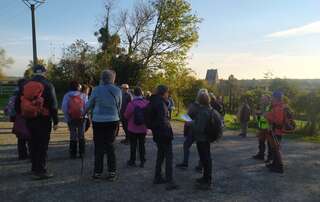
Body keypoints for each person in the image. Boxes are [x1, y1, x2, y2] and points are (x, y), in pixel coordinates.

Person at [15, 64, 59, 180]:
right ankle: (41, 170)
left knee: (32, 143)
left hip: (29, 118)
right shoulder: (48, 84)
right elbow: (53, 105)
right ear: (44, 72)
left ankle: (34, 168)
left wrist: (21, 114)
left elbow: (17, 101)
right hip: (43, 119)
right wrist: (56, 121)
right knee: (42, 145)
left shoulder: (25, 84)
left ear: (33, 72)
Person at [85, 70, 122, 181]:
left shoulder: (96, 90)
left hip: (98, 120)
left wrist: (83, 112)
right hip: (113, 120)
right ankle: (112, 172)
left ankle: (97, 172)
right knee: (110, 146)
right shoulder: (117, 90)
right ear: (113, 78)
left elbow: (89, 104)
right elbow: (119, 106)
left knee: (99, 146)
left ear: (102, 78)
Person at [149, 85, 178, 190]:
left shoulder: (153, 101)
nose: (168, 94)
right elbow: (163, 121)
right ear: (163, 93)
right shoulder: (161, 104)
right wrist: (168, 133)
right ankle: (169, 181)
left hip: (157, 133)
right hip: (164, 134)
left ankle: (157, 177)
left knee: (160, 155)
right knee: (168, 157)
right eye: (167, 93)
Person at [176, 89, 207, 171]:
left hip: (193, 129)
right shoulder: (208, 107)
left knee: (187, 145)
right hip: (202, 131)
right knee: (201, 148)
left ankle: (186, 163)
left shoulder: (194, 105)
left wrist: (187, 119)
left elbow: (188, 116)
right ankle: (200, 166)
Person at [190, 90, 213, 190]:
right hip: (206, 138)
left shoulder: (203, 112)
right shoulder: (209, 109)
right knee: (205, 159)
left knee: (205, 159)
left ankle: (207, 181)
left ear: (200, 100)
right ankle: (205, 178)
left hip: (202, 138)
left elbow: (199, 128)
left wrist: (191, 123)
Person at [5, 78, 30, 160]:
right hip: (29, 117)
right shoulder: (30, 93)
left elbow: (11, 108)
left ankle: (22, 155)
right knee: (30, 137)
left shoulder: (15, 94)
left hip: (19, 118)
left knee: (21, 138)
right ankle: (31, 153)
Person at [61, 81, 88, 159]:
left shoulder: (67, 95)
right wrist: (84, 115)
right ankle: (82, 153)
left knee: (73, 135)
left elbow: (64, 107)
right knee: (81, 135)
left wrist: (67, 117)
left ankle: (73, 154)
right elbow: (87, 106)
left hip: (71, 118)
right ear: (78, 87)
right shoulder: (83, 95)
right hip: (82, 118)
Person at [124, 87, 149, 168]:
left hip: (132, 128)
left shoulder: (131, 104)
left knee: (133, 145)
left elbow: (126, 115)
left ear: (134, 94)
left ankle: (132, 161)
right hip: (143, 128)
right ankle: (142, 161)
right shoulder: (147, 103)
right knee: (142, 145)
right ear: (141, 93)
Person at [265, 91, 286, 173]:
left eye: (273, 97)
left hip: (276, 131)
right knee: (273, 149)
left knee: (276, 149)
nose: (272, 99)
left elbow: (278, 121)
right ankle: (274, 164)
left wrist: (268, 116)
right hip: (274, 131)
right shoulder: (276, 106)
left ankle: (279, 167)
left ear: (276, 98)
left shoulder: (279, 108)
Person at [252, 95, 272, 163]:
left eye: (264, 99)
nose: (262, 100)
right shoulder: (260, 107)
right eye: (262, 99)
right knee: (261, 142)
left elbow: (265, 115)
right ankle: (261, 155)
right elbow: (259, 116)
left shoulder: (269, 107)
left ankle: (270, 158)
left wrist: (259, 113)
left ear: (268, 100)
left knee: (270, 144)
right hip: (261, 126)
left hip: (268, 127)